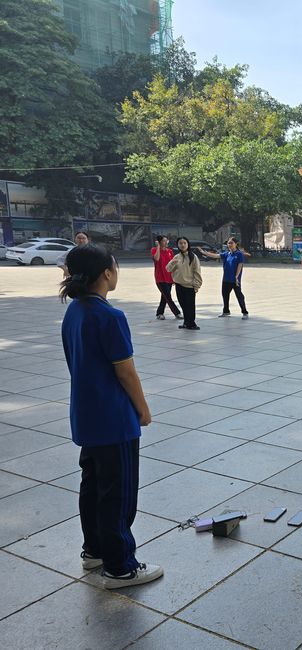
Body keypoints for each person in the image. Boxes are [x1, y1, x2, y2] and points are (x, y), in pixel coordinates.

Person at [59, 244, 163, 589]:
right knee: (118, 495)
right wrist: (143, 410)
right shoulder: (109, 316)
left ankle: (94, 551)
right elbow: (126, 373)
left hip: (86, 416)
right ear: (107, 273)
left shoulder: (75, 311)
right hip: (114, 420)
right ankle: (120, 567)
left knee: (92, 486)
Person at [199, 237, 249, 319]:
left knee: (239, 295)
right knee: (225, 295)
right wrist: (204, 253)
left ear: (236, 244)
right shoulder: (226, 254)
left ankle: (245, 312)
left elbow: (240, 265)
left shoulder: (239, 254)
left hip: (235, 280)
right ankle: (226, 311)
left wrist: (236, 276)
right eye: (228, 243)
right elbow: (215, 255)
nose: (229, 244)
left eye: (231, 243)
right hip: (226, 279)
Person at [166, 236, 202, 330]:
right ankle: (186, 322)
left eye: (184, 243)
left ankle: (192, 323)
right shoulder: (176, 257)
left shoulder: (193, 257)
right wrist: (172, 262)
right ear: (177, 245)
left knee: (190, 305)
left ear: (187, 244)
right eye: (180, 243)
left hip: (189, 286)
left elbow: (197, 272)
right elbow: (168, 269)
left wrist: (197, 285)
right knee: (183, 305)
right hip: (178, 285)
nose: (182, 245)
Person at [151, 236, 181, 321]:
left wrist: (175, 277)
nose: (166, 242)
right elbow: (156, 258)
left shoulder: (170, 251)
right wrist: (158, 247)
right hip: (160, 278)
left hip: (169, 277)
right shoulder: (154, 250)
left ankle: (159, 313)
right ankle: (177, 313)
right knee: (168, 296)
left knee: (165, 296)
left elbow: (173, 264)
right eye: (164, 241)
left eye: (166, 240)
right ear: (159, 242)